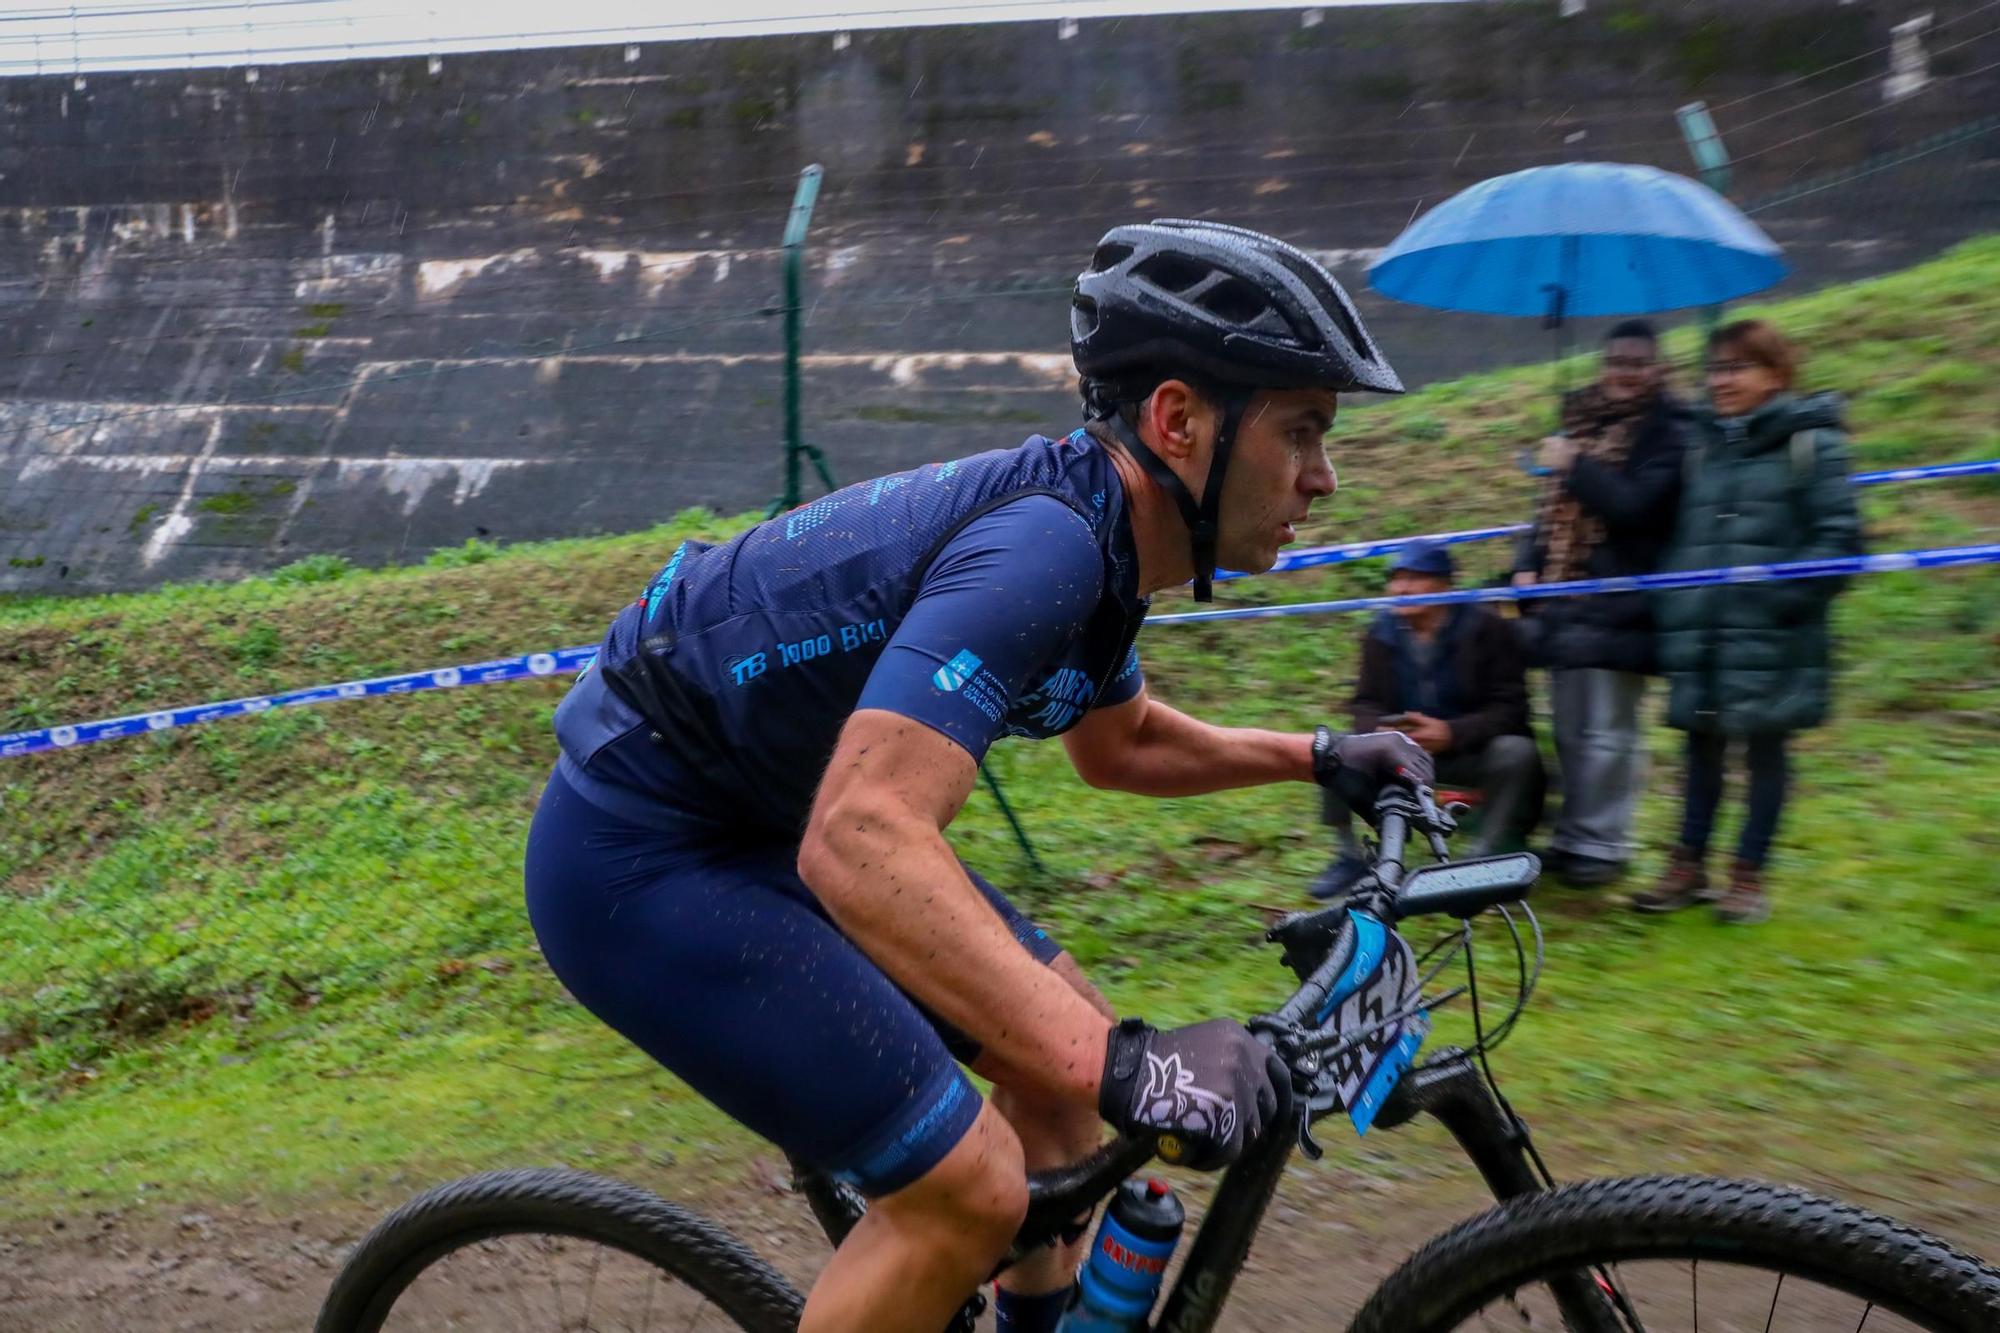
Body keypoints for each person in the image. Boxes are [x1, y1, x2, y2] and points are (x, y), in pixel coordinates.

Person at [524, 219, 1433, 1333]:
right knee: (970, 1188)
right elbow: (862, 834)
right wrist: (1131, 1063)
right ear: (1179, 421)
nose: (1321, 477)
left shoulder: (1104, 545)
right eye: (1300, 431)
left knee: (1059, 1087)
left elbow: (1123, 743)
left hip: (768, 814)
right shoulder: (1044, 548)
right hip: (643, 851)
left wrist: (1323, 755)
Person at [1632, 319, 1862, 925]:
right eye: (1715, 368)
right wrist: (1679, 603)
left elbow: (1839, 540)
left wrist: (1774, 600)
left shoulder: (1814, 445)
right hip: (1704, 629)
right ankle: (1688, 866)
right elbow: (1684, 537)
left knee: (1765, 754)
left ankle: (1748, 876)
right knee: (1699, 751)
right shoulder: (1704, 447)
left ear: (1777, 375)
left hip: (1773, 634)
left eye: (1737, 367)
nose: (1721, 380)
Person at [1511, 320, 1689, 887]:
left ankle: (1605, 843)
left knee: (1610, 732)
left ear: (1658, 368)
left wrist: (1575, 465)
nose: (1625, 373)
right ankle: (1571, 837)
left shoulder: (1671, 431)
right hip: (1566, 599)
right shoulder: (1578, 422)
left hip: (1624, 599)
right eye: (1616, 362)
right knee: (1568, 727)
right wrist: (1525, 560)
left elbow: (1637, 507)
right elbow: (1547, 508)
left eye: (1638, 363)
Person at [1309, 538, 1542, 899]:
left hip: (1469, 750)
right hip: (1403, 752)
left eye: (1416, 578)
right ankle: (1348, 856)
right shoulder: (1381, 632)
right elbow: (1365, 702)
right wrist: (1382, 732)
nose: (1402, 588)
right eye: (1397, 579)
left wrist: (1451, 732)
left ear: (1446, 584)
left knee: (1517, 752)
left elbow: (1511, 708)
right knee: (1332, 748)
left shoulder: (1488, 628)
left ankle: (1486, 860)